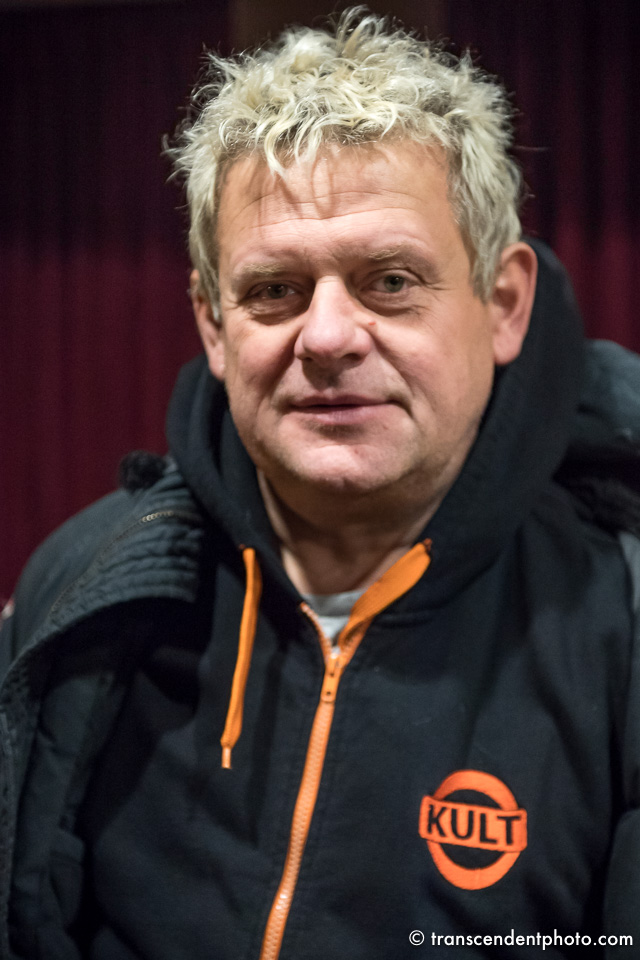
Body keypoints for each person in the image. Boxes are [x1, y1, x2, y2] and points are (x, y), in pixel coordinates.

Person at [2, 9, 640, 959]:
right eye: (274, 291)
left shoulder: (620, 623)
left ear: (503, 305)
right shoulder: (87, 595)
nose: (329, 338)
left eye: (390, 281)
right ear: (214, 326)